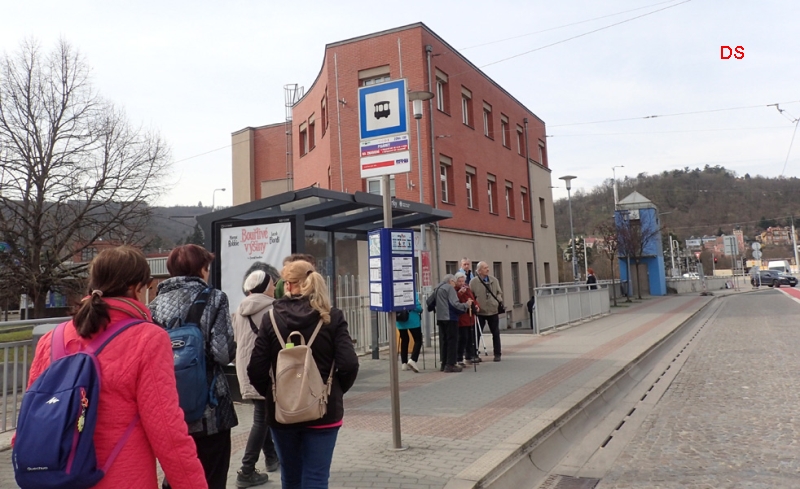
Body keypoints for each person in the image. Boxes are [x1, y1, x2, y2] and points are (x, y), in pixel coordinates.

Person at [22, 246, 208, 489]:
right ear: (136, 287)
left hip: (57, 477)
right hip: (122, 477)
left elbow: (30, 415)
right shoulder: (148, 339)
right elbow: (166, 430)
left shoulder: (52, 339)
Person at [248, 260, 359, 489]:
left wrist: (276, 394)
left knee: (290, 477)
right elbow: (349, 364)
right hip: (324, 410)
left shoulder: (271, 318)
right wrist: (332, 390)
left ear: (287, 285)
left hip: (282, 413)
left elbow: (256, 369)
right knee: (316, 478)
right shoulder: (331, 316)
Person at [148, 244, 238, 489]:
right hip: (211, 409)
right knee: (212, 477)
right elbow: (222, 354)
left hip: (170, 407)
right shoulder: (215, 298)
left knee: (178, 477)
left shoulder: (152, 307)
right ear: (201, 269)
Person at [232, 270, 281, 488]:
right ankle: (246, 470)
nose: (274, 287)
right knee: (261, 419)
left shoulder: (240, 309)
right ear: (265, 286)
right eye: (272, 283)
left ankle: (271, 458)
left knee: (263, 413)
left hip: (245, 368)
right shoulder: (272, 309)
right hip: (263, 368)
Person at [434, 274, 472, 372]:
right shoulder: (449, 288)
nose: (455, 285)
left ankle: (444, 363)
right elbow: (454, 304)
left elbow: (430, 302)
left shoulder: (438, 288)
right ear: (451, 281)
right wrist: (466, 305)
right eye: (454, 282)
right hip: (450, 317)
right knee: (452, 341)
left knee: (445, 341)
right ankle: (450, 364)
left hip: (440, 318)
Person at [469, 261, 504, 362]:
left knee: (496, 333)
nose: (487, 269)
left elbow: (499, 292)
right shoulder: (473, 282)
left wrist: (497, 301)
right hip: (480, 311)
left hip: (493, 310)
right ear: (479, 271)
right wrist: (475, 306)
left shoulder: (494, 280)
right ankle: (474, 354)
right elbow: (471, 295)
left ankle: (497, 354)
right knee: (476, 334)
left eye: (487, 267)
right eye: (485, 268)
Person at [455, 273, 479, 368]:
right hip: (462, 317)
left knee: (470, 338)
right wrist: (460, 293)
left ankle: (470, 356)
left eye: (463, 281)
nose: (461, 283)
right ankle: (459, 358)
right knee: (462, 338)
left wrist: (476, 306)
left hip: (470, 316)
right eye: (459, 281)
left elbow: (473, 299)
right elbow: (455, 301)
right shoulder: (455, 290)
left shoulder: (467, 288)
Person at [396, 292, 423, 372]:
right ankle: (413, 359)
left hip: (400, 320)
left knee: (404, 340)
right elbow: (417, 307)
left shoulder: (397, 292)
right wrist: (420, 309)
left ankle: (404, 363)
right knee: (418, 340)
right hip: (412, 321)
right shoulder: (411, 292)